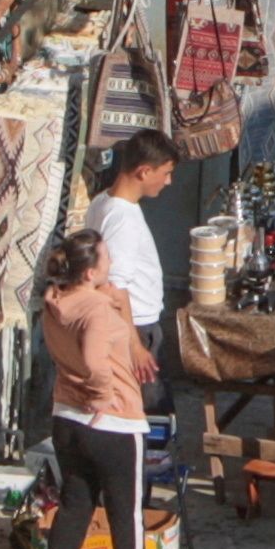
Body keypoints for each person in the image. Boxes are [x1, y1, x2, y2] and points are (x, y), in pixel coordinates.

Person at [39, 230, 163, 549]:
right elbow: (95, 362)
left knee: (76, 501)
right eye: (106, 259)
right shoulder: (94, 311)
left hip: (67, 418)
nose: (111, 265)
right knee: (125, 507)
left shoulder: (57, 301)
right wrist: (102, 395)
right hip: (112, 423)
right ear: (91, 271)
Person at [88, 129, 181, 410]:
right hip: (136, 327)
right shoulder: (122, 218)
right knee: (151, 413)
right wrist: (135, 346)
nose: (168, 181)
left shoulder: (104, 201)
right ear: (143, 171)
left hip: (136, 325)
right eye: (165, 173)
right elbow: (114, 288)